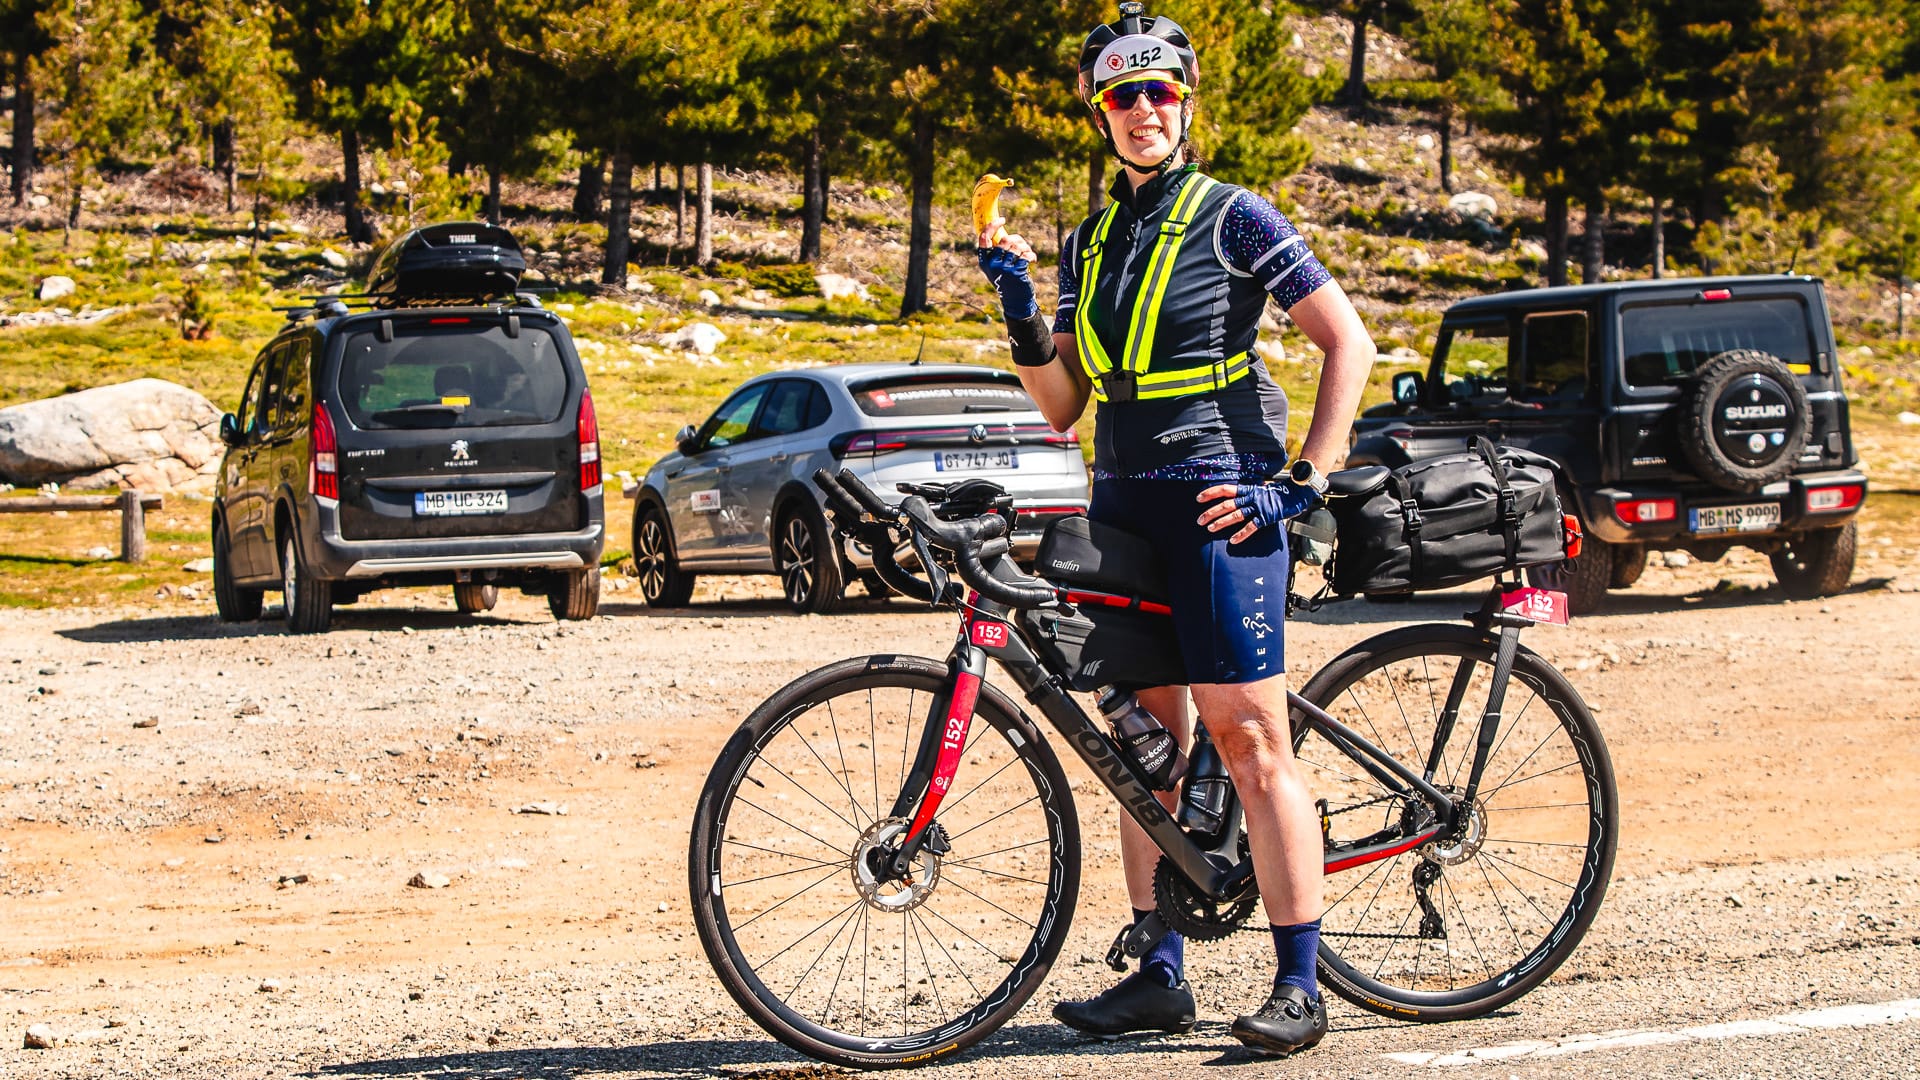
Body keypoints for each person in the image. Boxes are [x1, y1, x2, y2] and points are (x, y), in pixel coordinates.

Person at [975, 2, 1377, 1058]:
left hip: (1219, 496)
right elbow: (1062, 403)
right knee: (1143, 750)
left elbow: (1350, 343)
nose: (1142, 108)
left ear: (1185, 102)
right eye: (1122, 93)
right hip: (1125, 503)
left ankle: (1300, 984)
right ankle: (1161, 970)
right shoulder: (1093, 236)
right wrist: (1022, 311)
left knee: (1247, 738)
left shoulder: (1234, 215)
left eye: (1159, 90)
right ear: (1100, 113)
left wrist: (1301, 485)